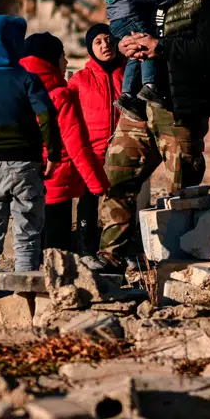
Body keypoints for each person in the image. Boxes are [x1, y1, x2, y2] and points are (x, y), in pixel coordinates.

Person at [94, 0, 210, 270]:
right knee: (117, 176)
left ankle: (176, 263)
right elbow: (121, 18)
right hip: (139, 104)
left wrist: (161, 47)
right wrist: (120, 45)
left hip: (178, 109)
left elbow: (206, 52)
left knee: (180, 191)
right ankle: (111, 255)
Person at [0, 15, 61, 296]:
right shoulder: (27, 79)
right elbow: (47, 116)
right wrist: (53, 153)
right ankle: (25, 302)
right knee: (27, 238)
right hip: (27, 166)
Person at [17, 32, 111, 253]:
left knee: (30, 246)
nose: (66, 62)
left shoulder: (17, 91)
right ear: (50, 60)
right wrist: (97, 183)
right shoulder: (60, 95)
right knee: (57, 250)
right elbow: (76, 144)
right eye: (62, 56)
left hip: (24, 180)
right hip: (57, 181)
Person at [68, 23, 125, 254]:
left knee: (121, 204)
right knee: (88, 204)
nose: (106, 45)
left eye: (108, 39)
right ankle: (86, 249)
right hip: (92, 154)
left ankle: (116, 252)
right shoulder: (81, 79)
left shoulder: (128, 73)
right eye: (98, 42)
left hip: (123, 152)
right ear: (90, 49)